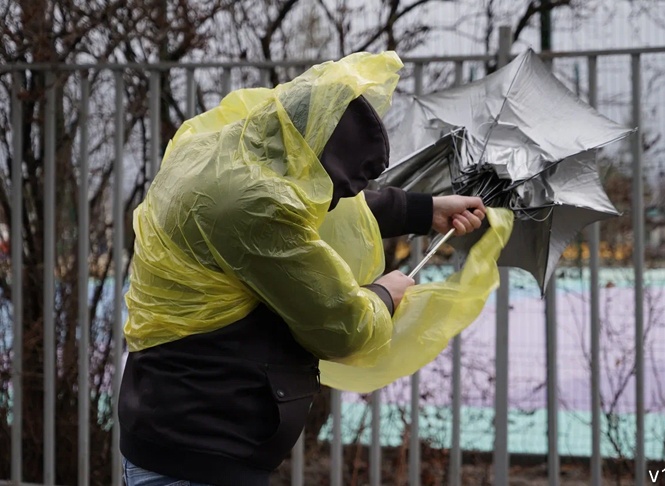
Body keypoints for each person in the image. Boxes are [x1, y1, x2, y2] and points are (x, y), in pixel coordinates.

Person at [119, 54, 485, 486]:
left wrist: (425, 210)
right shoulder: (256, 207)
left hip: (175, 430)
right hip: (202, 451)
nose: (331, 201)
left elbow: (327, 206)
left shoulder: (228, 155)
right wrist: (385, 293)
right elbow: (343, 327)